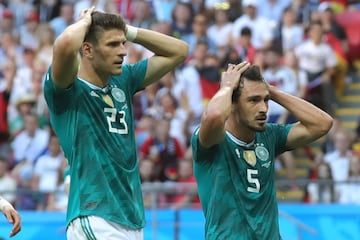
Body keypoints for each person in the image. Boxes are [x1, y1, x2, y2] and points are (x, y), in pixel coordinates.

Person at [43, 7, 188, 240]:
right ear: (87, 49)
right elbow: (65, 43)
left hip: (130, 217)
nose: (122, 52)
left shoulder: (124, 80)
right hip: (95, 215)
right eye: (112, 45)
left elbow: (179, 51)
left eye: (123, 44)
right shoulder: (67, 91)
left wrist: (127, 31)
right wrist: (85, 21)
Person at [191, 62, 333, 239]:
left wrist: (272, 91)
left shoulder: (269, 135)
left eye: (265, 100)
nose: (263, 108)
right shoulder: (212, 140)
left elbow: (322, 123)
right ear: (232, 104)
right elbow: (214, 116)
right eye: (253, 100)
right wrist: (227, 86)